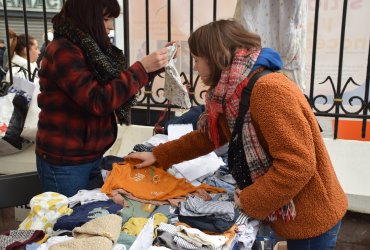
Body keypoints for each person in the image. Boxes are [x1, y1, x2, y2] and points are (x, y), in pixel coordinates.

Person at [126, 19, 347, 249]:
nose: (194, 67)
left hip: (311, 219)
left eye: (196, 59)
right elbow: (208, 136)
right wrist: (159, 155)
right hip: (297, 215)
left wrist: (250, 200)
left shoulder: (267, 90)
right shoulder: (234, 92)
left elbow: (298, 164)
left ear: (214, 57)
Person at [36, 0, 170, 197]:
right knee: (64, 224)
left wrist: (150, 70)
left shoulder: (92, 49)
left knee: (86, 218)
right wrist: (142, 68)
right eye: (106, 19)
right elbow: (98, 100)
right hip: (65, 161)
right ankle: (23, 231)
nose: (110, 26)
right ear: (88, 17)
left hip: (91, 155)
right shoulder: (63, 50)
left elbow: (114, 90)